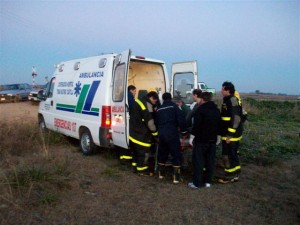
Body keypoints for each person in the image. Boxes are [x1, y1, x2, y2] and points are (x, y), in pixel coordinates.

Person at [188, 92, 220, 189]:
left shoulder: (200, 109)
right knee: (210, 161)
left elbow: (196, 125)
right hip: (212, 140)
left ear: (202, 99)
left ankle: (197, 183)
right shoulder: (216, 110)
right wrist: (218, 136)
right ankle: (208, 181)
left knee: (198, 161)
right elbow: (219, 124)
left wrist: (192, 137)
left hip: (201, 140)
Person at [156, 92, 188, 184]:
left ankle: (161, 174)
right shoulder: (175, 107)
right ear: (171, 98)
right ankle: (176, 177)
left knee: (163, 153)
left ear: (163, 99)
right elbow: (181, 120)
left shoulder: (159, 109)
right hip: (172, 134)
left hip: (161, 134)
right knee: (175, 154)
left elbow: (156, 121)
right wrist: (184, 132)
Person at [218, 81, 243, 184]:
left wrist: (229, 134)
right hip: (227, 134)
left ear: (227, 90)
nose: (221, 90)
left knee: (228, 155)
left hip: (231, 135)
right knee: (232, 155)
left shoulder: (232, 100)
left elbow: (236, 118)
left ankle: (230, 176)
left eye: (222, 89)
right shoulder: (228, 100)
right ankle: (236, 173)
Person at [129, 91, 159, 176]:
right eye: (155, 101)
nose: (154, 103)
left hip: (133, 133)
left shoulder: (137, 101)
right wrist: (155, 133)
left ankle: (135, 168)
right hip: (141, 135)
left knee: (135, 152)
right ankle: (142, 170)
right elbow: (150, 122)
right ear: (151, 98)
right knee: (143, 153)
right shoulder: (147, 105)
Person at [119, 85, 137, 164]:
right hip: (128, 119)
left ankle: (123, 157)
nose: (135, 92)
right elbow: (133, 108)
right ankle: (127, 158)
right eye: (135, 91)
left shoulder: (124, 95)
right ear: (131, 90)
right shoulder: (130, 97)